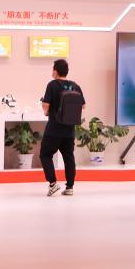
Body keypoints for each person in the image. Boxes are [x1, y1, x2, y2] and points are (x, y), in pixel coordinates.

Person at [40, 58, 85, 197]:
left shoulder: (52, 85)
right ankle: (70, 187)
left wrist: (47, 111)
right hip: (69, 130)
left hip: (54, 129)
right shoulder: (75, 86)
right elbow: (83, 106)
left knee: (45, 155)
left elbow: (46, 105)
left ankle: (53, 184)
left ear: (55, 71)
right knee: (68, 157)